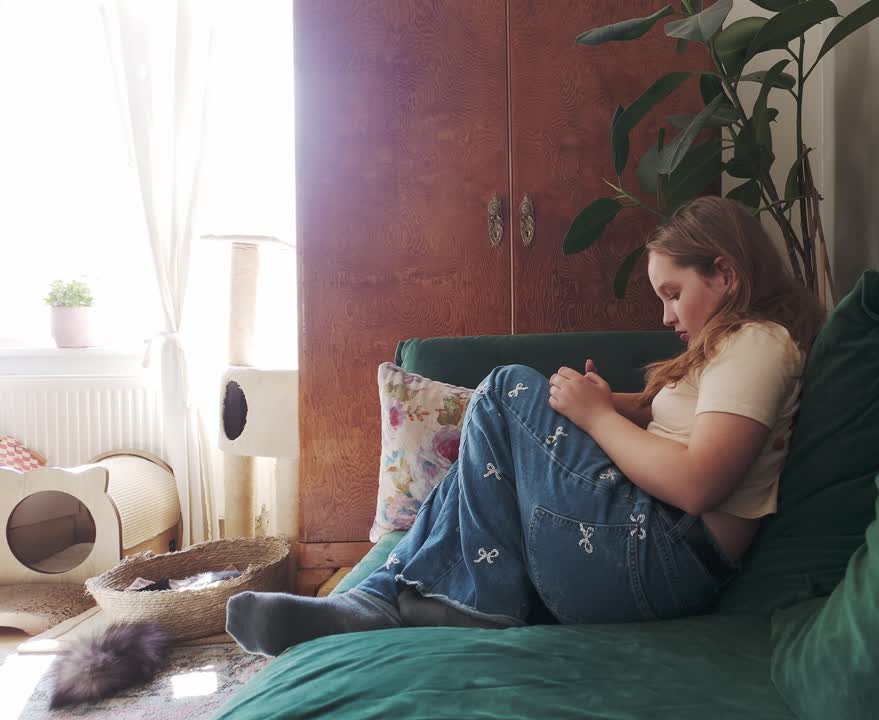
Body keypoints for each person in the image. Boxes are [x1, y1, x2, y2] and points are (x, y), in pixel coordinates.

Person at [225, 197, 826, 656]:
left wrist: (594, 416)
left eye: (674, 293)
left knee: (507, 389)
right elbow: (673, 419)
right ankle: (378, 597)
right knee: (497, 432)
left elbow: (698, 483)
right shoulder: (728, 349)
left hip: (659, 558)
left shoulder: (757, 344)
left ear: (725, 273)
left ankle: (453, 601)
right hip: (645, 546)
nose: (667, 315)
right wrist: (604, 403)